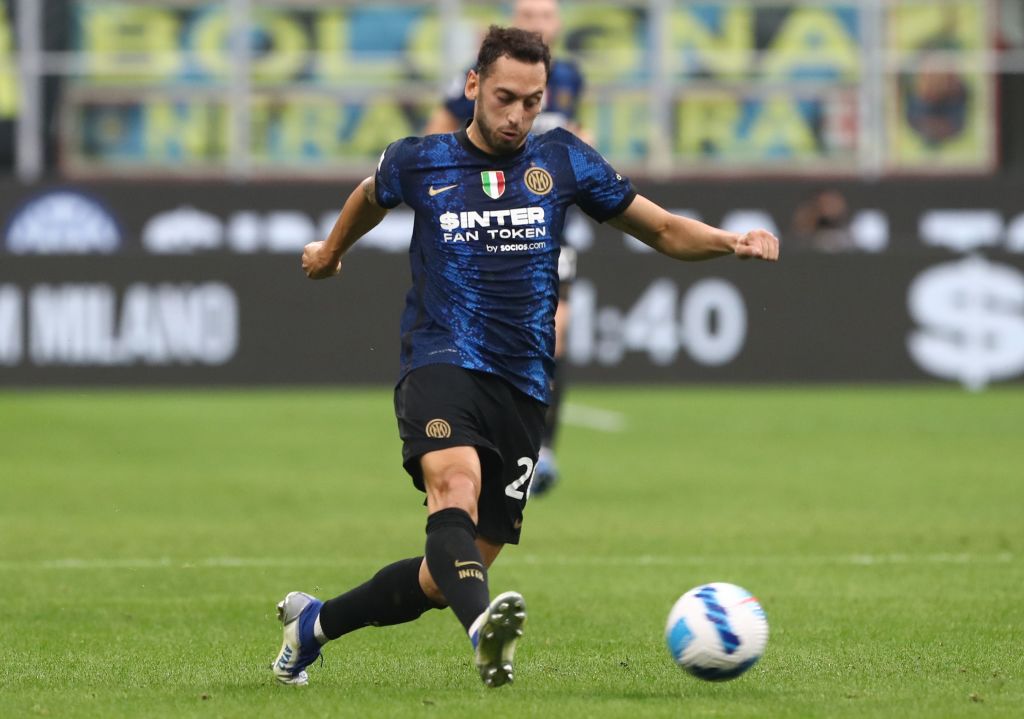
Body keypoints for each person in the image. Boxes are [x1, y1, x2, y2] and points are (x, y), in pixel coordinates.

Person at [272, 25, 778, 690]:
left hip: (522, 383)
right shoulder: (420, 159)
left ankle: (313, 624)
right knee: (452, 487)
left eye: (532, 102)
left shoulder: (562, 161)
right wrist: (332, 250)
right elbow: (370, 195)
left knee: (446, 572)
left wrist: (729, 241)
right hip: (441, 357)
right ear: (473, 86)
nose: (517, 116)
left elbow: (658, 228)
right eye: (505, 97)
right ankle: (485, 632)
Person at [424, 0, 584, 496]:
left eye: (545, 16)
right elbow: (436, 135)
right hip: (491, 218)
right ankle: (482, 437)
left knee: (555, 329)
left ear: (557, 24)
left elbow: (569, 137)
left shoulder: (571, 77)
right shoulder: (469, 80)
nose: (538, 23)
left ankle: (542, 449)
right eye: (529, 15)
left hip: (548, 220)